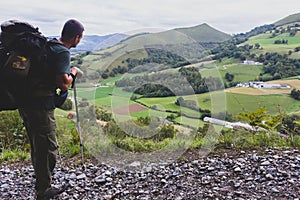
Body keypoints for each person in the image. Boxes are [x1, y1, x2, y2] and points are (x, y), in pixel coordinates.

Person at [17, 19, 84, 200]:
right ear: (76, 37)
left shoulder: (49, 45)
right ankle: (43, 189)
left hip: (25, 101)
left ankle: (41, 177)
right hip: (40, 104)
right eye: (80, 37)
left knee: (37, 143)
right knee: (48, 147)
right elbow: (63, 84)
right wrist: (74, 73)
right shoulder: (62, 52)